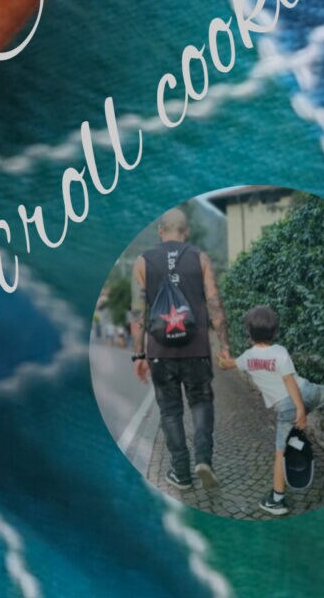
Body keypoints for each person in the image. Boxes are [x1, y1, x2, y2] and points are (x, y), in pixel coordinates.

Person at [237, 303, 324, 515]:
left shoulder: (247, 358)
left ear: (249, 332)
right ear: (275, 331)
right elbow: (291, 379)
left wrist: (300, 410)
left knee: (280, 453)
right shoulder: (280, 351)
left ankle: (276, 500)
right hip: (309, 391)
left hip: (289, 406)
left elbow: (286, 382)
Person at [130, 208, 233, 492]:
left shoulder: (142, 261)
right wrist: (225, 346)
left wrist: (139, 355)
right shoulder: (199, 258)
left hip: (160, 352)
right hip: (197, 348)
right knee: (201, 403)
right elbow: (215, 305)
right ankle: (203, 460)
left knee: (170, 412)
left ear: (160, 231)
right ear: (185, 232)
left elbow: (138, 313)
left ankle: (181, 473)